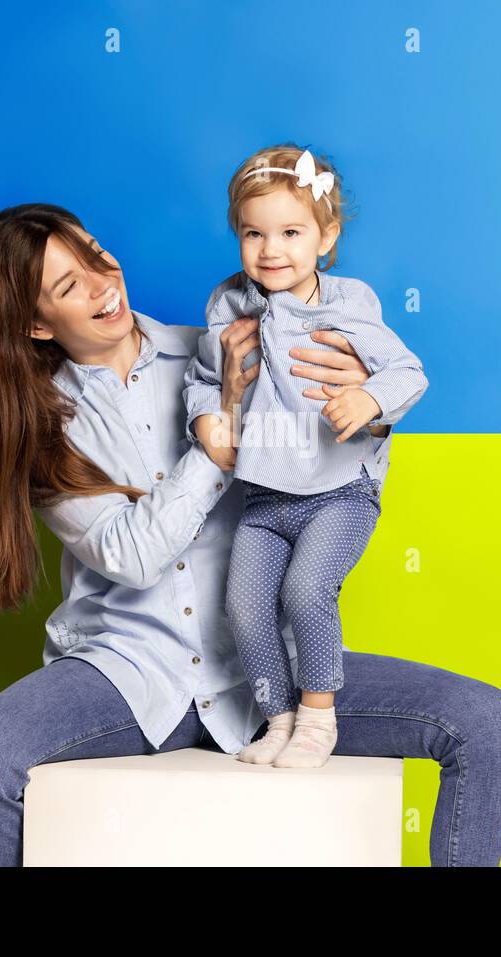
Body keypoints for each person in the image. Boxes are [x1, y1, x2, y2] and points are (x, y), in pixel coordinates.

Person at [0, 202, 501, 866]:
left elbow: (336, 458)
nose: (104, 283)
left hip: (269, 677)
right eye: (69, 285)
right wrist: (215, 439)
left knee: (484, 723)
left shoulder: (230, 348)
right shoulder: (40, 425)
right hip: (129, 674)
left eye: (96, 254)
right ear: (35, 323)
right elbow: (131, 555)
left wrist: (368, 413)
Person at [184, 143, 430, 768]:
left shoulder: (348, 304)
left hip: (339, 491)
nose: (271, 250)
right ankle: (278, 718)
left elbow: (408, 372)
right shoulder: (227, 304)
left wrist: (371, 400)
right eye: (254, 233)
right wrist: (205, 417)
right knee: (242, 603)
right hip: (265, 498)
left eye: (291, 232)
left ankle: (319, 721)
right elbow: (201, 377)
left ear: (326, 236)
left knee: (307, 590)